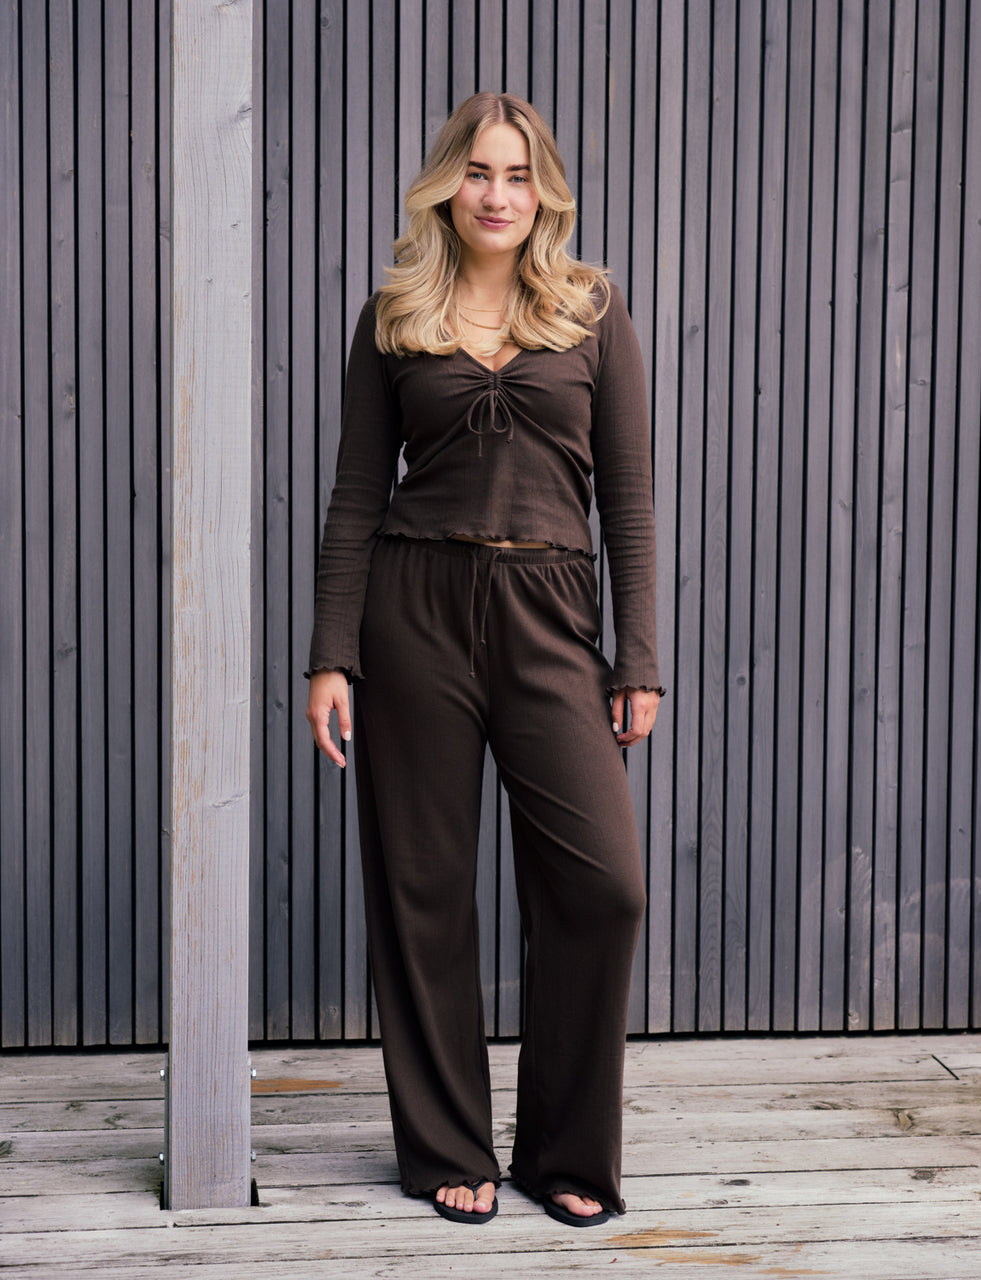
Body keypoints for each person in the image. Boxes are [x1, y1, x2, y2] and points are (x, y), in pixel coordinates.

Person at [305, 92, 662, 1227]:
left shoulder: (592, 313)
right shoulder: (394, 314)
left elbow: (630, 503)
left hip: (551, 611)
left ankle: (562, 1148)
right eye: (476, 173)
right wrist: (330, 654)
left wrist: (637, 653)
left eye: (516, 174)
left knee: (603, 885)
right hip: (412, 609)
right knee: (424, 890)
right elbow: (358, 493)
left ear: (542, 189)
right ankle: (447, 1143)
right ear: (444, 188)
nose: (497, 194)